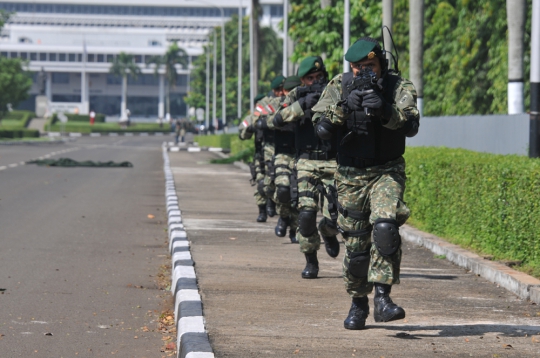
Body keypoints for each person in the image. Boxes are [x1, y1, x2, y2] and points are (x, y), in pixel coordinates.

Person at [312, 36, 420, 330]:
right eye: (358, 67)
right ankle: (358, 302)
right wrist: (344, 108)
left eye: (369, 65)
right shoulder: (339, 85)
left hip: (387, 170)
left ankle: (383, 299)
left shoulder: (399, 86)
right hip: (350, 175)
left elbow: (411, 125)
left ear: (381, 63)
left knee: (385, 227)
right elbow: (320, 127)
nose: (364, 72)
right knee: (357, 248)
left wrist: (386, 110)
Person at [272, 57, 341, 279]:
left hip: (333, 160)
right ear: (302, 80)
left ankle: (327, 231)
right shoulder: (296, 95)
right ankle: (311, 260)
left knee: (337, 213)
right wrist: (304, 104)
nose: (315, 81)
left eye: (319, 77)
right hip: (306, 162)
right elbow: (278, 119)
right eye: (309, 78)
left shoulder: (337, 90)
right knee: (306, 213)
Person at [238, 94, 269, 222]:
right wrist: (250, 128)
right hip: (261, 156)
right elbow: (242, 133)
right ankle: (262, 211)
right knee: (261, 183)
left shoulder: (275, 114)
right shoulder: (252, 118)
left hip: (278, 154)